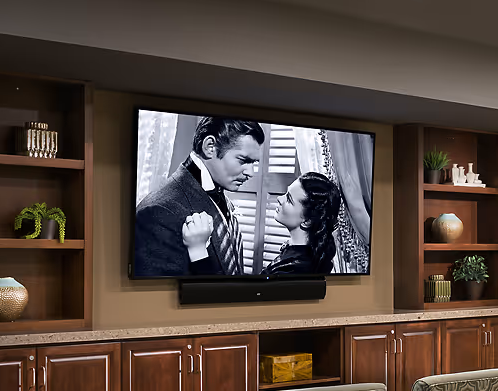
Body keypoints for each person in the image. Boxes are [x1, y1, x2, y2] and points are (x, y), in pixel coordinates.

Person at [133, 117, 264, 277]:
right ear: (210, 147)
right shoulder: (158, 212)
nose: (251, 172)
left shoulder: (221, 195)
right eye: (243, 160)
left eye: (254, 163)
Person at [261, 172, 342, 276]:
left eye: (289, 200)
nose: (279, 199)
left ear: (307, 221)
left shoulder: (293, 270)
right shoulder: (297, 255)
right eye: (286, 194)